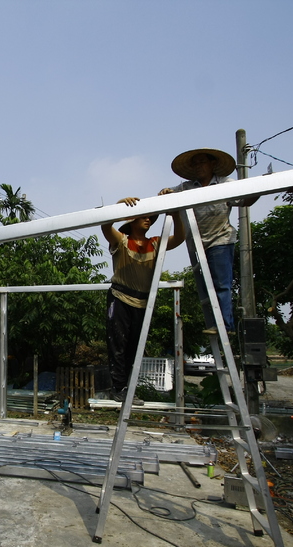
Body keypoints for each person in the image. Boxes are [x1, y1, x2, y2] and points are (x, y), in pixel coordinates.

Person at [158, 148, 258, 335]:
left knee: (221, 284)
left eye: (202, 162)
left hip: (220, 238)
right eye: (195, 164)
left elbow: (245, 200)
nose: (198, 166)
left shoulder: (225, 184)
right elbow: (167, 195)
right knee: (206, 286)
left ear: (212, 164)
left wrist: (258, 189)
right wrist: (165, 191)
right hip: (198, 242)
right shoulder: (187, 187)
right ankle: (215, 323)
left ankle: (225, 326)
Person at [102, 204, 186, 402]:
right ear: (132, 221)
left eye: (150, 218)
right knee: (118, 345)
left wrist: (175, 215)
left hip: (142, 302)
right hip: (120, 298)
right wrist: (121, 205)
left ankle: (129, 389)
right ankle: (118, 388)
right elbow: (105, 225)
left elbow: (180, 238)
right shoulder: (121, 240)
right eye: (143, 217)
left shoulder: (155, 243)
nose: (148, 220)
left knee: (135, 347)